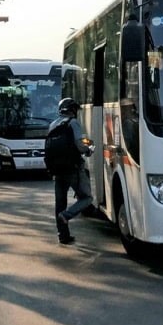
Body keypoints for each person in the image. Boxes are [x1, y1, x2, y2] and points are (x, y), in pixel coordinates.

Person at [49, 97, 95, 245]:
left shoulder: (52, 124)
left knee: (59, 203)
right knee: (87, 198)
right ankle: (67, 215)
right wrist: (88, 150)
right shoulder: (73, 123)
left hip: (57, 170)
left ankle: (63, 235)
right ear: (72, 110)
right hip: (73, 169)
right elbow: (79, 145)